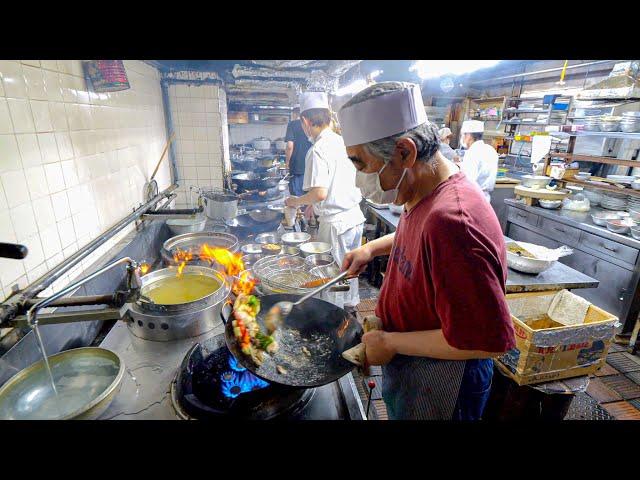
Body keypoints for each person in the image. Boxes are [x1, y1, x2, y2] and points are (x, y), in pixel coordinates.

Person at [337, 81, 515, 420]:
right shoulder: (425, 191)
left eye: (360, 164)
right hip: (415, 366)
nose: (359, 178)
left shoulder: (454, 223)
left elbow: (489, 341)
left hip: (444, 379)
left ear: (405, 152)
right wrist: (371, 249)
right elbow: (418, 234)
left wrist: (391, 344)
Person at [285, 91, 365, 310]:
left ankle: (335, 318)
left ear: (305, 121)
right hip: (354, 218)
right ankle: (351, 311)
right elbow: (334, 184)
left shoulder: (317, 149)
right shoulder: (342, 142)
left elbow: (320, 192)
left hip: (335, 225)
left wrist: (296, 201)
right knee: (351, 270)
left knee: (332, 277)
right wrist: (312, 204)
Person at [457, 120, 499, 202]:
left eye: (463, 135)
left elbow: (468, 181)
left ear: (469, 136)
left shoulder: (472, 152)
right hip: (485, 199)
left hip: (472, 199)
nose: (463, 138)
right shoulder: (490, 150)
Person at [284, 107, 313, 197]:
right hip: (310, 165)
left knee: (297, 198)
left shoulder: (292, 124)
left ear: (294, 114)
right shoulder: (311, 124)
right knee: (308, 197)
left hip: (297, 167)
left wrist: (287, 162)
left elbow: (289, 146)